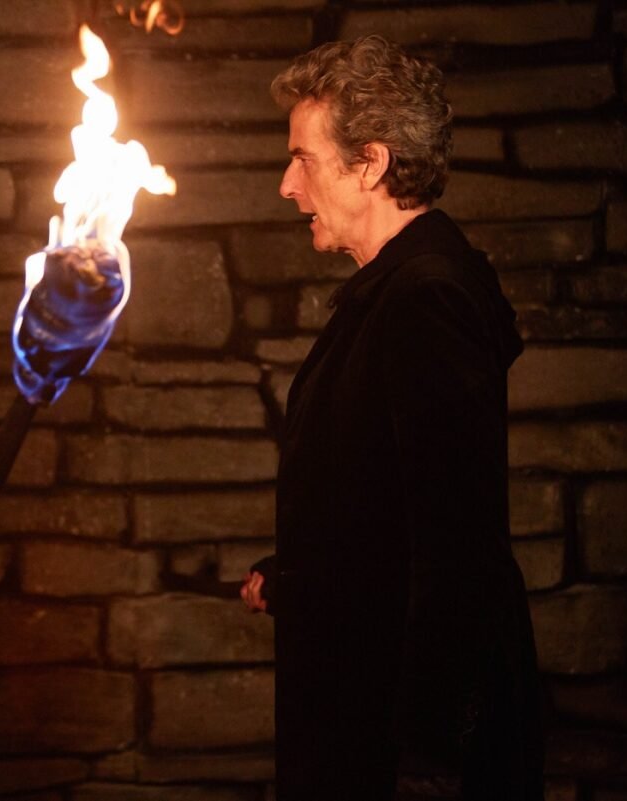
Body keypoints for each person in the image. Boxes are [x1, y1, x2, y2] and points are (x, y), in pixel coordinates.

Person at [239, 36, 544, 800]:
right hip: (368, 720)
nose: (287, 184)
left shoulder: (425, 299)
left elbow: (458, 552)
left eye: (303, 158)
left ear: (370, 163)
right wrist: (300, 579)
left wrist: (429, 761)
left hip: (399, 749)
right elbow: (385, 513)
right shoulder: (396, 291)